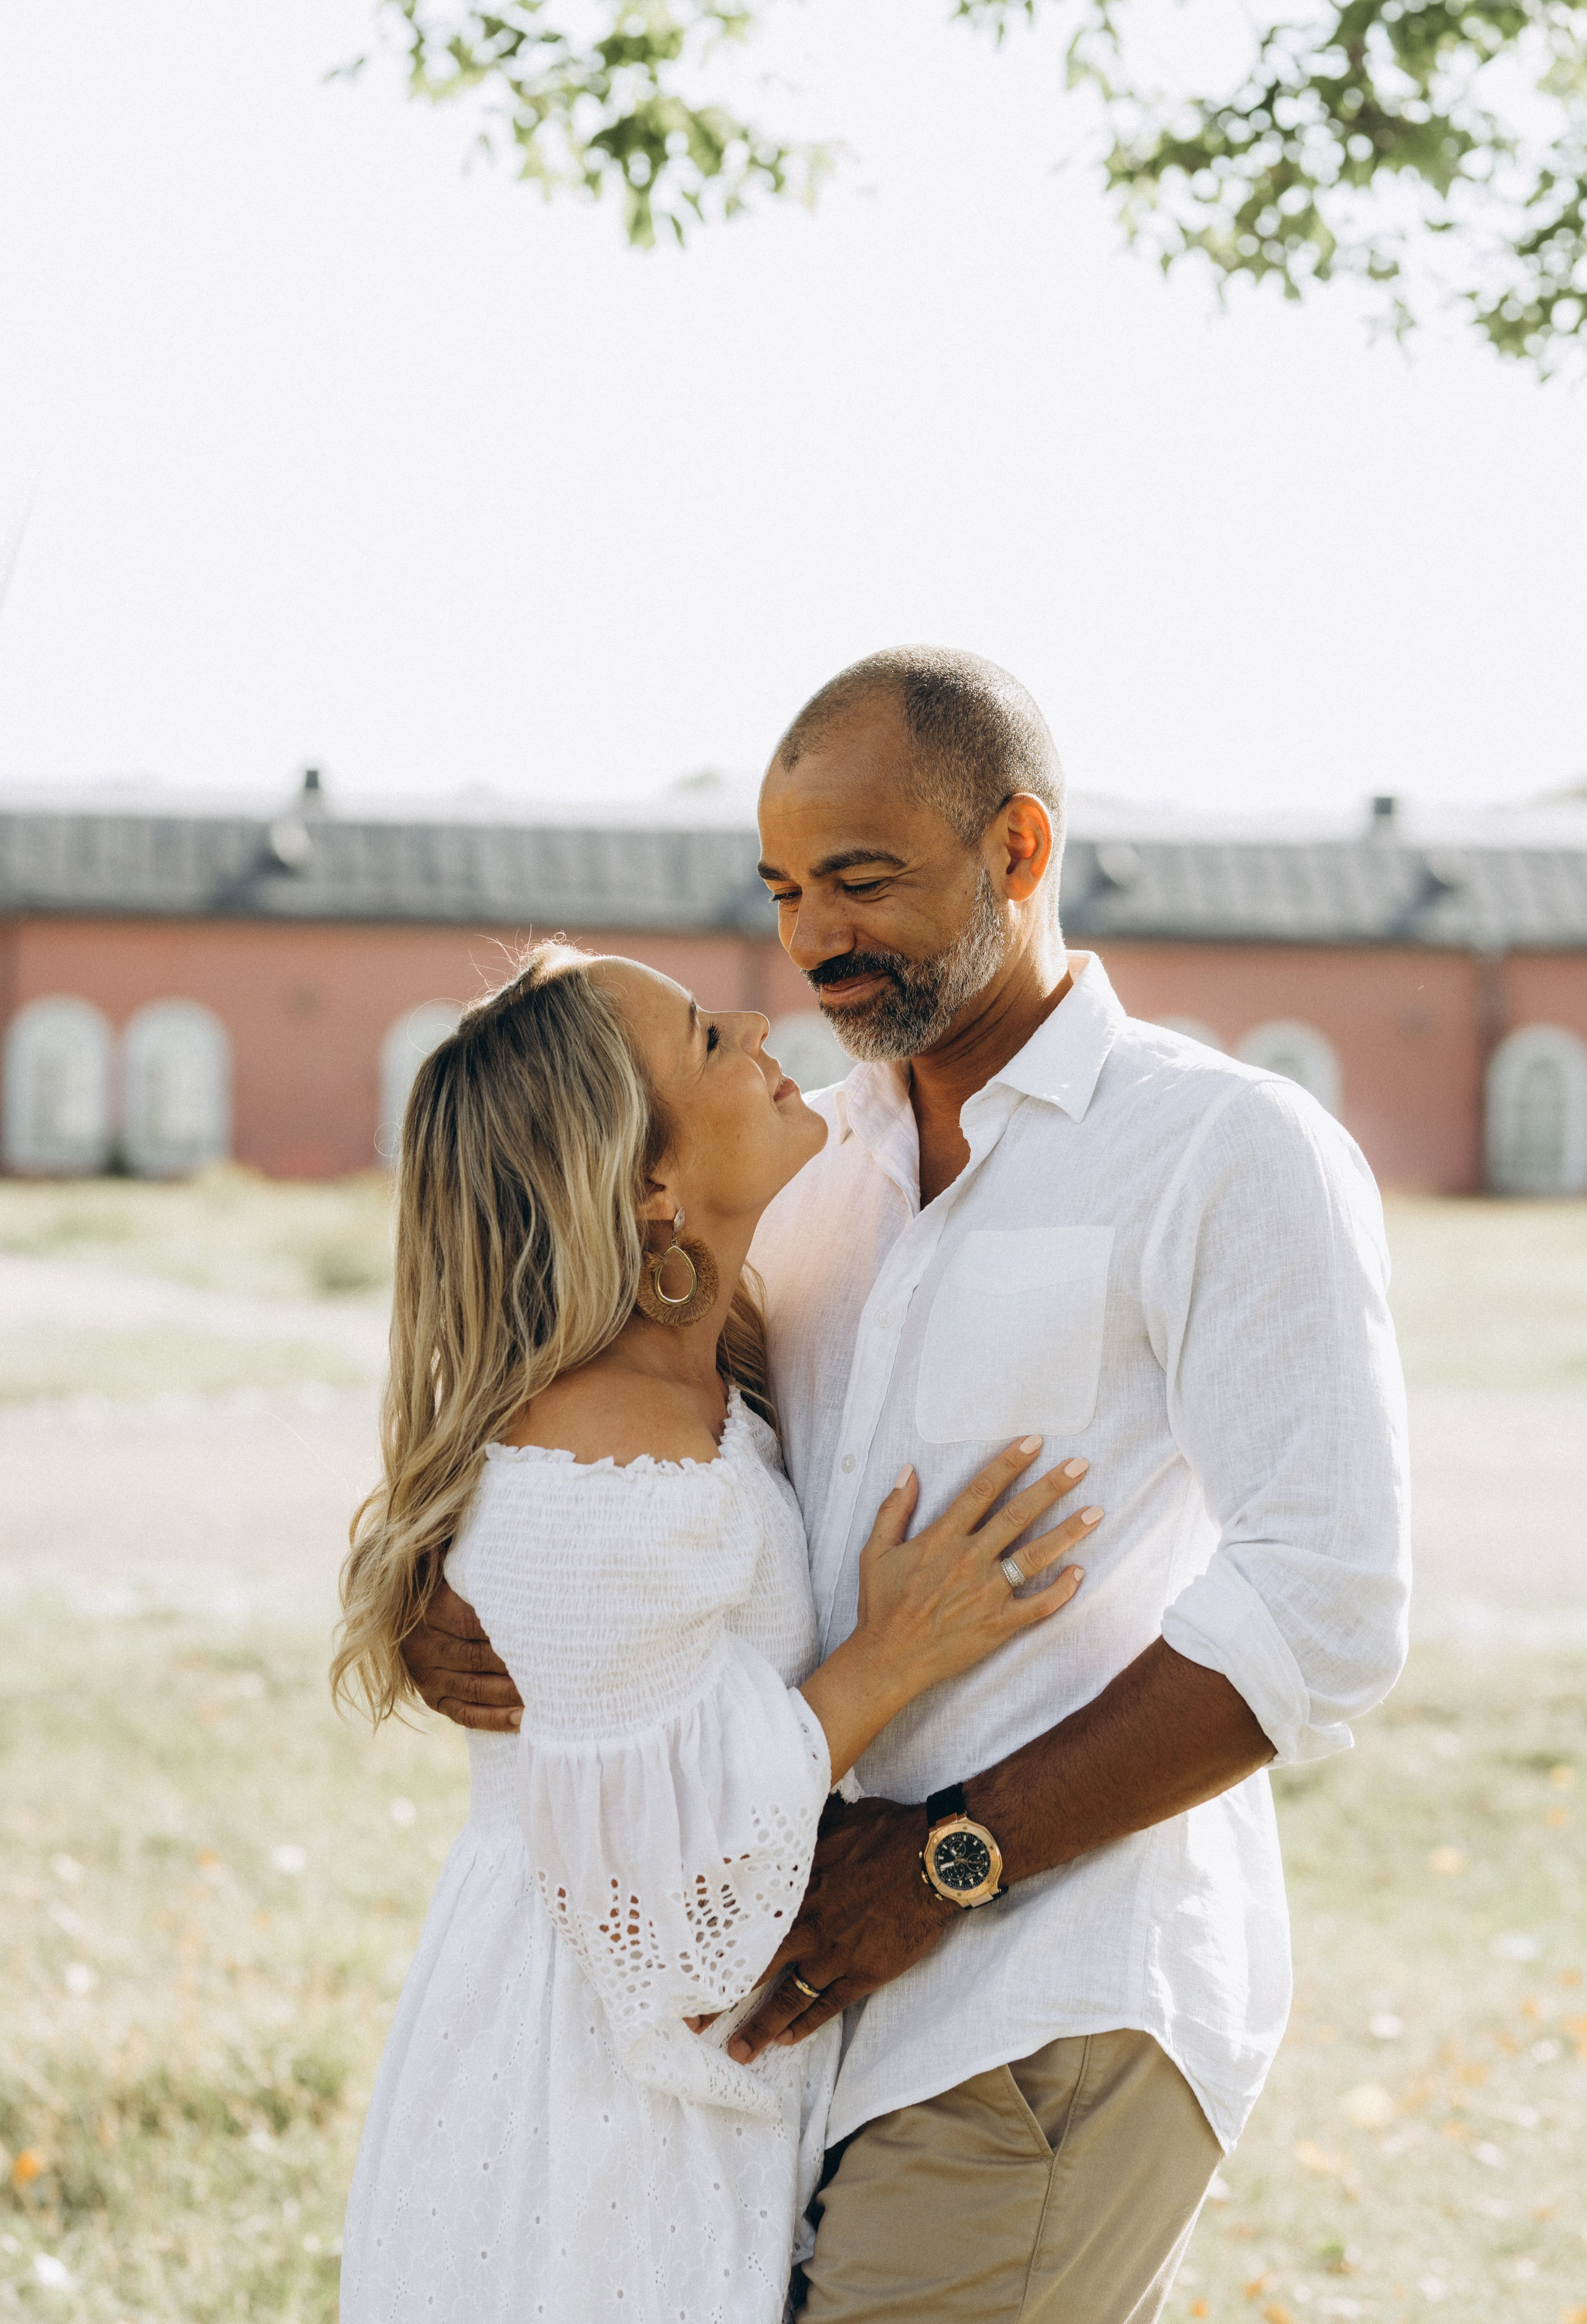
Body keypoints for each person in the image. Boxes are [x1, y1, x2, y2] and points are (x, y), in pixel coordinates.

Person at [412, 646, 1414, 2322]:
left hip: (1051, 1993)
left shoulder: (1224, 1149)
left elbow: (1325, 1607)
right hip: (787, 2012)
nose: (811, 939)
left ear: (1017, 848)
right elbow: (589, 1413)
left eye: (862, 880)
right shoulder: (804, 1171)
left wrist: (954, 1857)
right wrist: (458, 1593)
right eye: (783, 889)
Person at [332, 938, 1101, 2324]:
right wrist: (891, 1657)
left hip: (630, 2065)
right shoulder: (602, 1454)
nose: (754, 1022)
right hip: (591, 2089)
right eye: (700, 1037)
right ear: (649, 1188)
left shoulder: (681, 1388)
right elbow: (675, 1910)